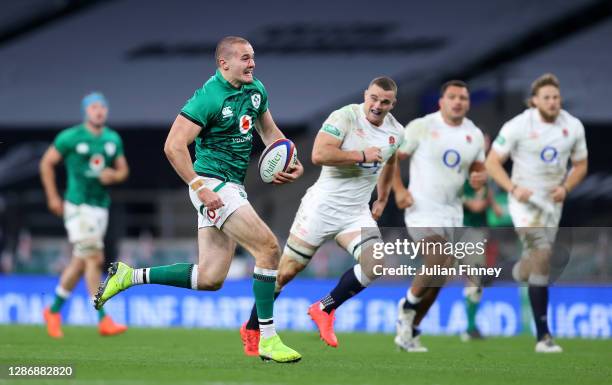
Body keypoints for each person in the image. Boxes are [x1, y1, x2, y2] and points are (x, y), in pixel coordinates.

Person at [93, 36, 303, 363]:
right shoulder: (209, 97)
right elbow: (173, 145)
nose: (252, 64)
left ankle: (128, 276)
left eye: (253, 58)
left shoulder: (255, 89)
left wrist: (290, 157)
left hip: (232, 185)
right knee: (268, 248)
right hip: (212, 184)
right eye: (245, 58)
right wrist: (198, 186)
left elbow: (270, 133)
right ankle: (267, 339)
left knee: (210, 278)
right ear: (224, 63)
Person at [240, 77, 403, 355]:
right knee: (286, 273)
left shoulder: (396, 132)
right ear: (366, 94)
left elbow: (390, 160)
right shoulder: (345, 117)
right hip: (321, 208)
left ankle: (324, 307)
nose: (377, 105)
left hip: (355, 213)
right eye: (373, 98)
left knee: (375, 262)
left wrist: (384, 197)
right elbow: (319, 154)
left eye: (384, 101)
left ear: (392, 103)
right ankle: (253, 327)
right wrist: (362, 154)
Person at [485, 73, 588, 353]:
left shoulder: (573, 126)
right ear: (534, 101)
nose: (552, 102)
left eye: (556, 97)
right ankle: (543, 337)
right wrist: (513, 188)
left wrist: (566, 187)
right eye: (547, 98)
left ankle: (507, 271)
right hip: (524, 202)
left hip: (553, 203)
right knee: (542, 253)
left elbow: (580, 165)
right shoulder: (518, 125)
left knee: (536, 264)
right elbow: (492, 162)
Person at [393, 80, 486, 352]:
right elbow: (392, 159)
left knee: (438, 279)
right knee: (437, 256)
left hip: (453, 213)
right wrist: (398, 190)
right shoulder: (422, 126)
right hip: (421, 208)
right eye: (453, 97)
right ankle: (407, 304)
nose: (458, 102)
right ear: (441, 101)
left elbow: (478, 172)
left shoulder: (474, 135)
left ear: (468, 103)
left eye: (463, 98)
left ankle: (410, 330)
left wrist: (480, 179)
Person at [39, 92, 129, 338]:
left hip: (100, 207)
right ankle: (102, 317)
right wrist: (53, 197)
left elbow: (123, 170)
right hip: (77, 205)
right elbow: (46, 163)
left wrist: (114, 176)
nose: (98, 111)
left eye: (102, 107)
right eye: (94, 107)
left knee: (80, 262)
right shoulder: (70, 137)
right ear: (86, 111)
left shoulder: (112, 138)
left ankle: (53, 310)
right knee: (95, 258)